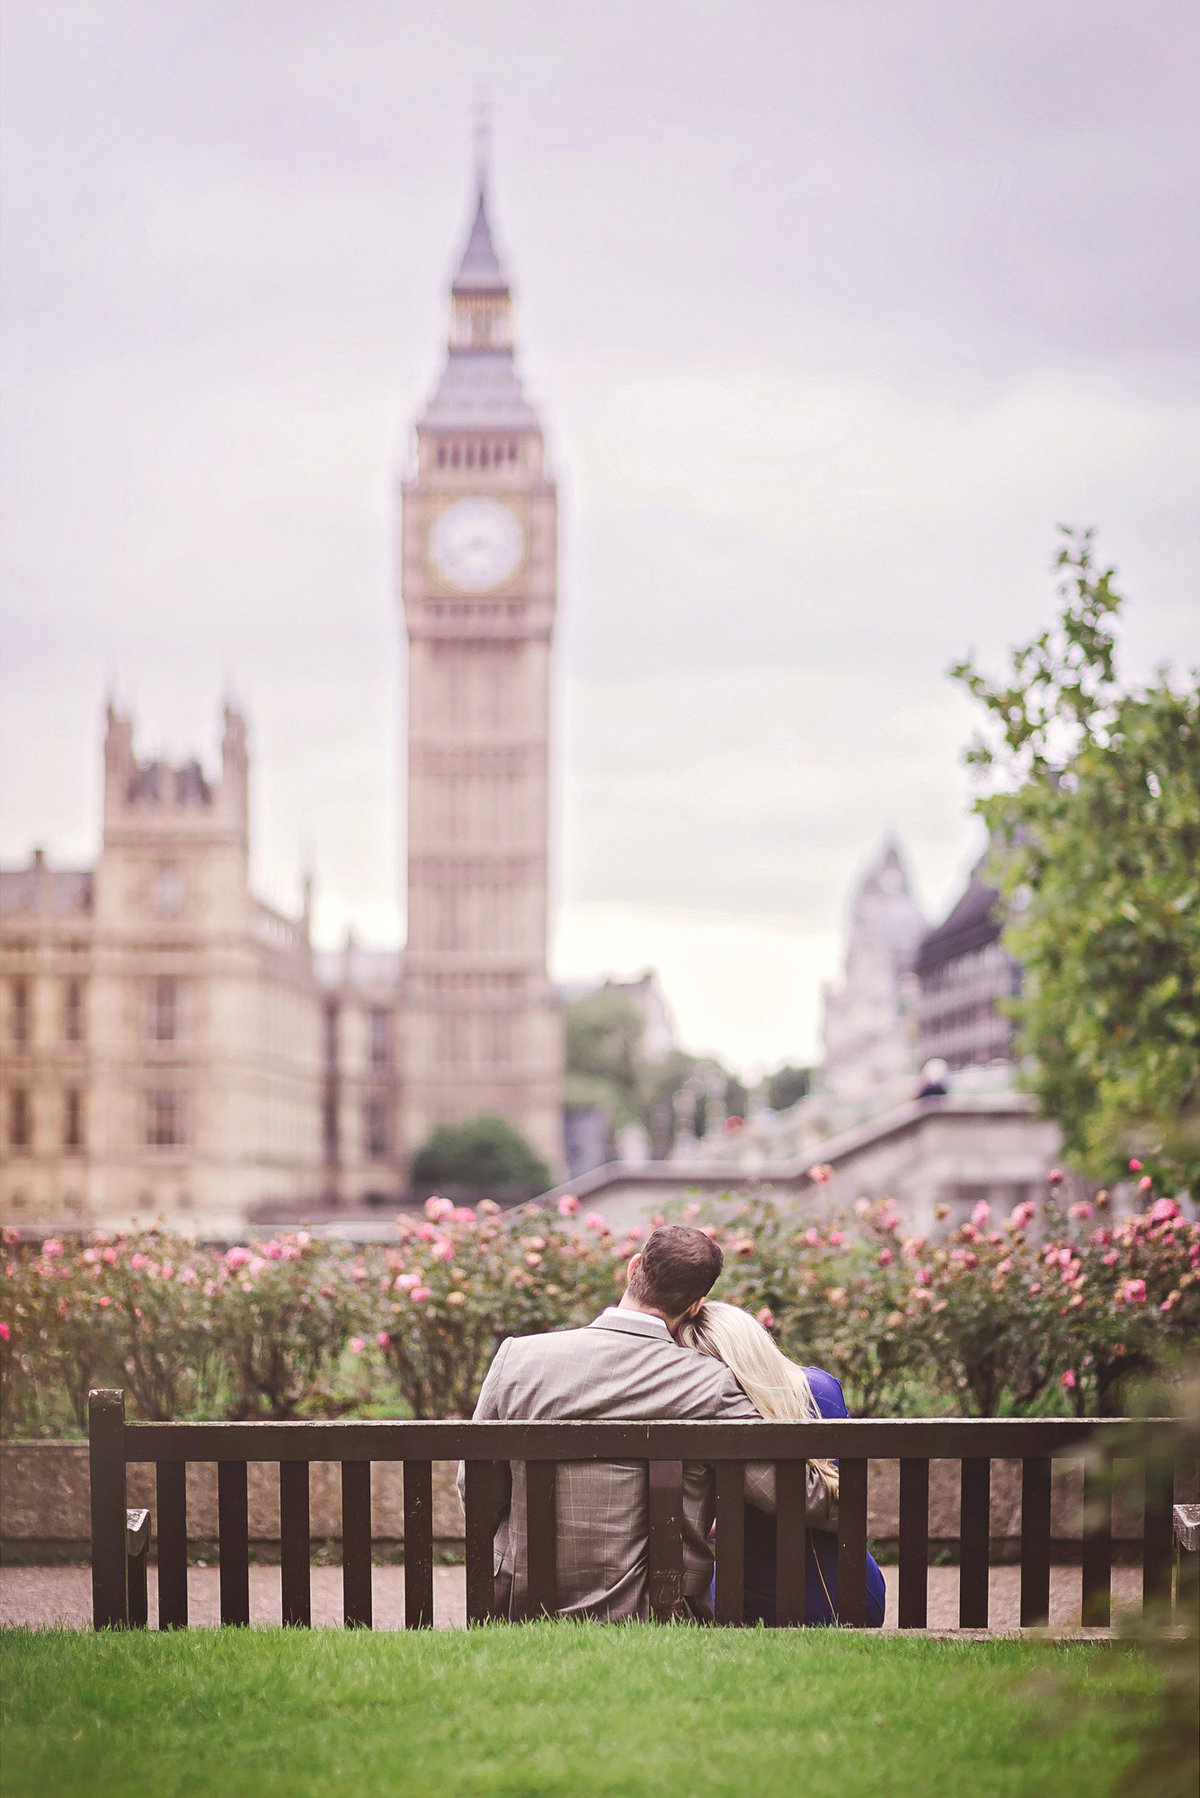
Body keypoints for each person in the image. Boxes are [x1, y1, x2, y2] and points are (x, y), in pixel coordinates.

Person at [459, 1224, 836, 1621]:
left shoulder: (517, 1358)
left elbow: (477, 1492)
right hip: (648, 1613)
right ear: (696, 1306)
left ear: (633, 1267)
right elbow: (796, 1494)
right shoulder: (709, 1384)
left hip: (520, 1606)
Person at [677, 1300, 886, 1627]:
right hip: (848, 1590)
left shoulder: (708, 1410)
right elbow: (842, 1503)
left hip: (751, 1597)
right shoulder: (817, 1389)